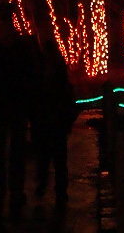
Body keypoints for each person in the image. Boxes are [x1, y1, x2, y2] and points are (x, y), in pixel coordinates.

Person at [0, 2, 38, 227]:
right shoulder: (21, 45)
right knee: (16, 152)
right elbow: (31, 75)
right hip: (17, 104)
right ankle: (15, 192)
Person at [33, 39, 78, 206]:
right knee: (57, 159)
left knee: (46, 157)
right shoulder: (57, 75)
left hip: (49, 121)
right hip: (55, 122)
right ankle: (58, 189)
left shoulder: (42, 74)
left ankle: (46, 185)